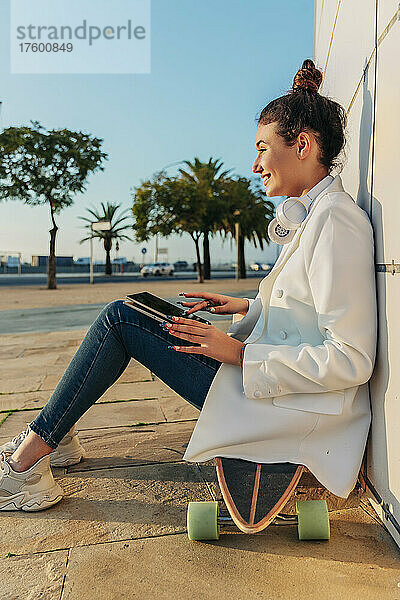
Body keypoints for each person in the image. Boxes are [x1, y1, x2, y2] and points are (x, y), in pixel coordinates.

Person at [0, 58, 377, 510]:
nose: (255, 164)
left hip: (285, 405)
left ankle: (27, 465)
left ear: (302, 145)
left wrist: (237, 352)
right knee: (137, 304)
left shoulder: (337, 221)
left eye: (262, 147)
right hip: (272, 387)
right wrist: (245, 308)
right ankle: (55, 434)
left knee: (122, 320)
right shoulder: (319, 215)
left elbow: (351, 358)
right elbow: (306, 314)